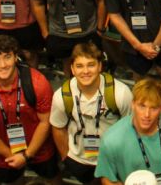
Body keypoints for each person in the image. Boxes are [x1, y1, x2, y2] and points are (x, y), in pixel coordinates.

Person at [0, 33, 58, 183]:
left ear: (16, 57)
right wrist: (11, 155)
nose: (2, 65)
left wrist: (27, 154)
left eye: (7, 57)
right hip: (2, 155)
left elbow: (45, 122)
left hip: (40, 148)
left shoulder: (37, 83)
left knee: (53, 178)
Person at [48, 41, 133, 182]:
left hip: (112, 159)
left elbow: (131, 128)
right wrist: (66, 157)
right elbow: (58, 127)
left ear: (100, 66)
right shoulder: (62, 96)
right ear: (72, 69)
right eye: (79, 66)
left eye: (91, 65)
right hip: (79, 160)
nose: (85, 71)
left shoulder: (120, 93)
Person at [96, 76, 161, 185]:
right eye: (142, 106)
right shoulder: (112, 139)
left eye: (153, 108)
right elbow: (107, 177)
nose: (147, 114)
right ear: (133, 104)